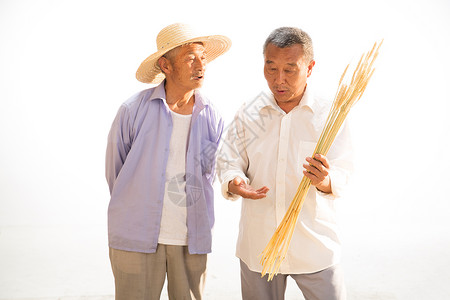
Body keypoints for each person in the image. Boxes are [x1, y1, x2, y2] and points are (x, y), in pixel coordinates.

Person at [217, 27, 353, 300]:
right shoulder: (250, 111)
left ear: (310, 67)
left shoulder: (331, 114)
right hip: (259, 244)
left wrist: (324, 180)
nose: (279, 80)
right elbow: (227, 159)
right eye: (271, 68)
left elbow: (344, 172)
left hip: (314, 245)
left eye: (290, 69)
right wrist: (235, 182)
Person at [105, 23, 231, 300]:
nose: (201, 65)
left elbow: (211, 173)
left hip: (191, 240)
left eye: (203, 58)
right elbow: (116, 173)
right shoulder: (132, 110)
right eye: (190, 58)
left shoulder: (212, 115)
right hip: (134, 237)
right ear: (166, 65)